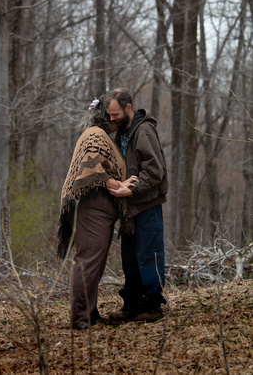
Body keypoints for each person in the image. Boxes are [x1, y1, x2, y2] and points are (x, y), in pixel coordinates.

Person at [57, 96, 137, 330]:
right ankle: (81, 316)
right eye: (111, 116)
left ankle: (89, 312)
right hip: (91, 209)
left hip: (95, 210)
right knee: (88, 262)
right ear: (103, 117)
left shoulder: (96, 134)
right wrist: (119, 185)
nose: (115, 120)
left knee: (94, 263)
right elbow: (90, 169)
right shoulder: (95, 134)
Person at [104, 88, 168, 322]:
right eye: (108, 115)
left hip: (146, 205)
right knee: (130, 258)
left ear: (128, 108)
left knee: (149, 255)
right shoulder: (122, 132)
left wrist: (130, 189)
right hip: (129, 207)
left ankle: (153, 306)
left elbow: (155, 171)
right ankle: (132, 305)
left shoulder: (144, 131)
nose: (111, 119)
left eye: (114, 114)